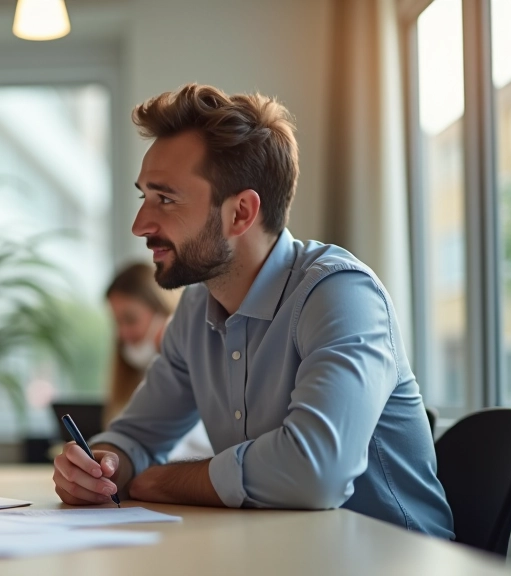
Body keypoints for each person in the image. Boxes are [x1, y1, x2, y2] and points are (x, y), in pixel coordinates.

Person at [51, 83, 454, 539]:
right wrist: (101, 467)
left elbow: (314, 471)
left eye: (165, 199)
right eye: (144, 196)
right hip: (283, 552)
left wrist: (160, 481)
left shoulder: (341, 294)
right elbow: (137, 437)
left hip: (394, 558)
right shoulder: (196, 309)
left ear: (241, 213)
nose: (140, 224)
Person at [104, 263, 212, 461]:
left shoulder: (198, 364)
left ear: (161, 309)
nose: (123, 333)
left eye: (130, 319)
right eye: (117, 322)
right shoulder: (137, 374)